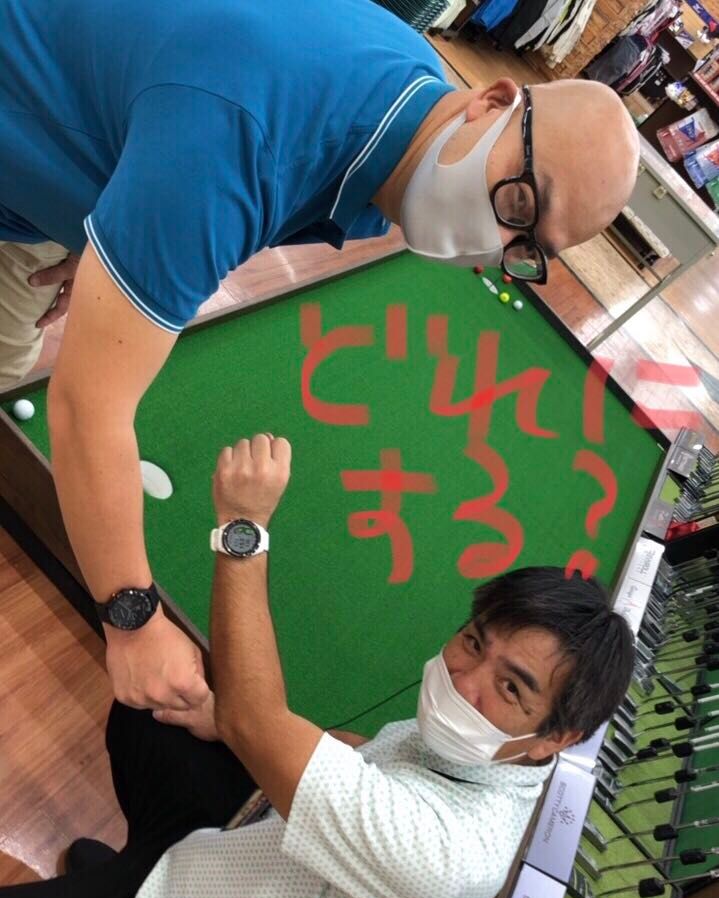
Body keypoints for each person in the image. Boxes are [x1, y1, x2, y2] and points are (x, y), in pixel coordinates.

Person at [0, 0, 641, 710]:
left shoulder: (405, 129)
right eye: (518, 201)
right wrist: (134, 621)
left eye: (528, 248)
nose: (498, 243)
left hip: (56, 161)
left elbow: (167, 112)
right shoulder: (250, 138)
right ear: (490, 101)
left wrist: (110, 223)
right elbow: (87, 407)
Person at [0, 433, 635, 898]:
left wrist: (244, 526)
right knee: (157, 714)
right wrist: (225, 719)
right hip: (217, 857)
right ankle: (127, 872)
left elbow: (254, 721)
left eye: (510, 687)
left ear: (556, 738)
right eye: (474, 640)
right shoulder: (491, 753)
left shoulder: (448, 856)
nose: (465, 681)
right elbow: (360, 750)